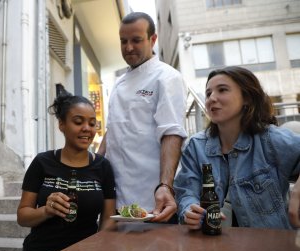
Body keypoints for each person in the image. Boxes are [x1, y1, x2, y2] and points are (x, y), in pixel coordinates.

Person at [174, 66, 300, 229]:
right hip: (212, 248)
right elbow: (186, 191)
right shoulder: (196, 146)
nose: (212, 98)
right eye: (208, 93)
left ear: (246, 98)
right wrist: (189, 210)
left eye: (222, 90)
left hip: (269, 247)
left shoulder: (269, 139)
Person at [11, 92, 116, 251]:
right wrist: (46, 210)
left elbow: (108, 218)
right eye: (78, 122)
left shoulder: (103, 166)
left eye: (92, 123)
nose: (87, 128)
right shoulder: (42, 162)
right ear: (62, 125)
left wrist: (100, 249)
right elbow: (23, 216)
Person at [97, 12, 187, 222]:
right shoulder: (119, 83)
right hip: (118, 200)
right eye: (123, 41)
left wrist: (165, 186)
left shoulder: (167, 77)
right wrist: (93, 164)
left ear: (152, 39)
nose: (128, 47)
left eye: (136, 40)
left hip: (154, 201)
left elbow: (172, 133)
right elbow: (113, 130)